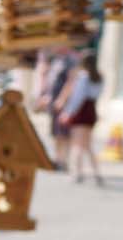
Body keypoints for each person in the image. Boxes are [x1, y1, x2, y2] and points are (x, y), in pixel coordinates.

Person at [56, 53, 105, 185]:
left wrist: (68, 112)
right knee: (88, 145)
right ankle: (96, 172)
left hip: (81, 112)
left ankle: (76, 172)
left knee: (76, 145)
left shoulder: (83, 77)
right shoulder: (99, 77)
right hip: (91, 110)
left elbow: (78, 97)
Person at [40, 47, 77, 170]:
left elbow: (71, 81)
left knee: (64, 133)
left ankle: (64, 160)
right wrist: (45, 95)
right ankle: (57, 158)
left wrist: (62, 99)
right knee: (56, 133)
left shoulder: (71, 60)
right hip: (53, 100)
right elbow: (48, 80)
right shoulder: (54, 60)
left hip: (63, 103)